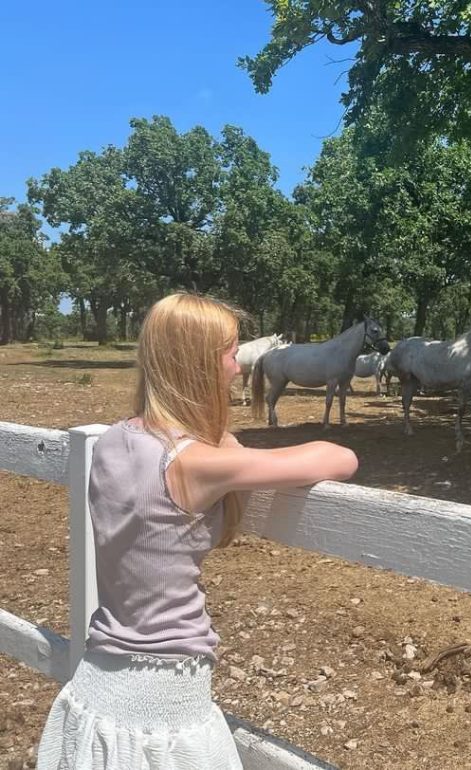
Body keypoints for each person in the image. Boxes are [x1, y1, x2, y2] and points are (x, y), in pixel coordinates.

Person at [36, 293, 359, 769]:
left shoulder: (114, 439)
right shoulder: (197, 462)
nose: (236, 368)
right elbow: (340, 457)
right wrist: (225, 440)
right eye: (230, 354)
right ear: (198, 365)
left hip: (95, 687)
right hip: (165, 701)